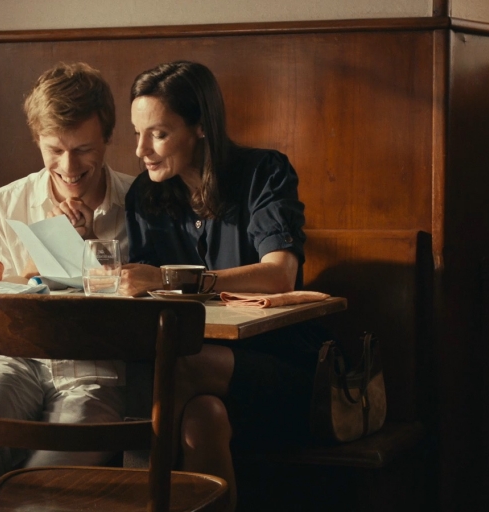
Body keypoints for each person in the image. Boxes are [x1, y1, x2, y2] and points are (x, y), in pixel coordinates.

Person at [119, 61, 329, 510]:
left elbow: (279, 274)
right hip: (203, 376)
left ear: (200, 126)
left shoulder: (263, 173)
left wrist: (177, 281)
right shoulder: (145, 195)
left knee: (172, 367)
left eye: (158, 134)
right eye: (137, 133)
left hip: (285, 365)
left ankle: (134, 498)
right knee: (203, 420)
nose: (141, 150)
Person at [0, 62, 136, 477]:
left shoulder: (141, 204)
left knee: (48, 482)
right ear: (37, 140)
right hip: (14, 361)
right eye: (54, 150)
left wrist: (87, 248)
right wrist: (29, 273)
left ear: (107, 137)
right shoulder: (2, 206)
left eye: (83, 149)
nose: (69, 166)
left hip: (97, 372)